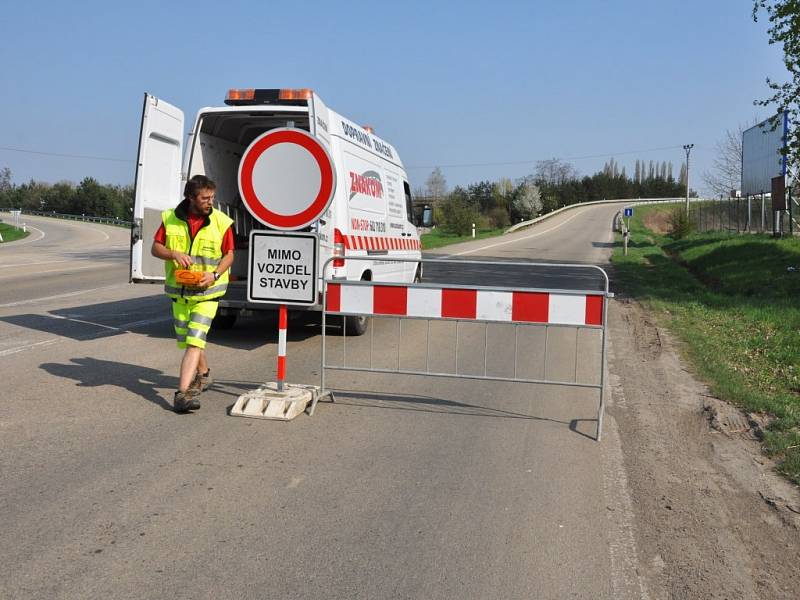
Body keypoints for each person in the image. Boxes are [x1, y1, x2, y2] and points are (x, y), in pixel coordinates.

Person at [151, 175, 235, 412]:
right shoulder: (170, 218)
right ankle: (204, 374)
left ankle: (182, 394)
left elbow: (229, 255)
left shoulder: (221, 222)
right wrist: (173, 254)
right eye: (205, 198)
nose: (211, 202)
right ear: (190, 198)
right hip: (179, 293)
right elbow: (155, 248)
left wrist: (215, 275)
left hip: (208, 294)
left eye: (212, 197)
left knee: (194, 342)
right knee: (189, 339)